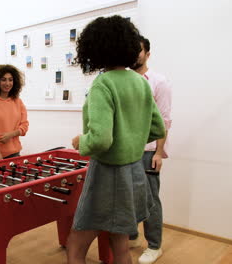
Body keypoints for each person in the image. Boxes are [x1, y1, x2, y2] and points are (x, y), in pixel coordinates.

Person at [67, 15, 166, 264]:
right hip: (134, 172)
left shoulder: (103, 84)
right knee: (120, 244)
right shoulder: (140, 82)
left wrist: (82, 141)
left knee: (76, 243)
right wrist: (132, 136)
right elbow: (157, 128)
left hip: (107, 175)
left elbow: (100, 140)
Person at [129, 36, 173, 264]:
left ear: (147, 53)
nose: (134, 54)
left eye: (139, 50)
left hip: (148, 151)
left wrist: (158, 152)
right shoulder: (122, 79)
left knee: (150, 199)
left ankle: (155, 246)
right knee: (129, 196)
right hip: (126, 151)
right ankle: (132, 235)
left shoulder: (158, 81)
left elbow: (165, 120)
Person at [0, 64, 29, 161]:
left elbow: (24, 126)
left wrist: (11, 134)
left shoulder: (17, 102)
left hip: (14, 153)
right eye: (3, 80)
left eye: (10, 80)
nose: (7, 83)